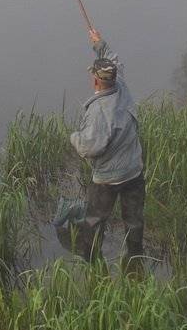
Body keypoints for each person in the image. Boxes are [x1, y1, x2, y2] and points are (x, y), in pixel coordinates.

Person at [62, 27, 145, 263]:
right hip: (134, 171)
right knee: (134, 219)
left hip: (107, 179)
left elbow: (89, 148)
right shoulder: (123, 87)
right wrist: (99, 44)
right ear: (114, 77)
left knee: (95, 219)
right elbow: (114, 59)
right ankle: (135, 257)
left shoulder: (99, 112)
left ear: (95, 80)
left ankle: (91, 259)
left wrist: (74, 137)